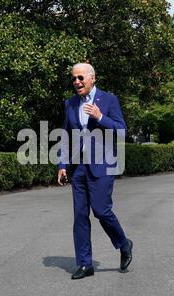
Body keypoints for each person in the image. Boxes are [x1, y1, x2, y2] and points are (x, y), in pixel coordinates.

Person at [57, 63, 133, 280]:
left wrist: (100, 117)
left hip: (102, 165)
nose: (76, 82)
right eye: (73, 79)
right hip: (78, 167)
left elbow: (121, 131)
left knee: (101, 210)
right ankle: (84, 264)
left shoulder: (109, 100)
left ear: (92, 78)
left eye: (80, 78)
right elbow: (66, 135)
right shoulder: (70, 104)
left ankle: (123, 243)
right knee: (80, 215)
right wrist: (62, 165)